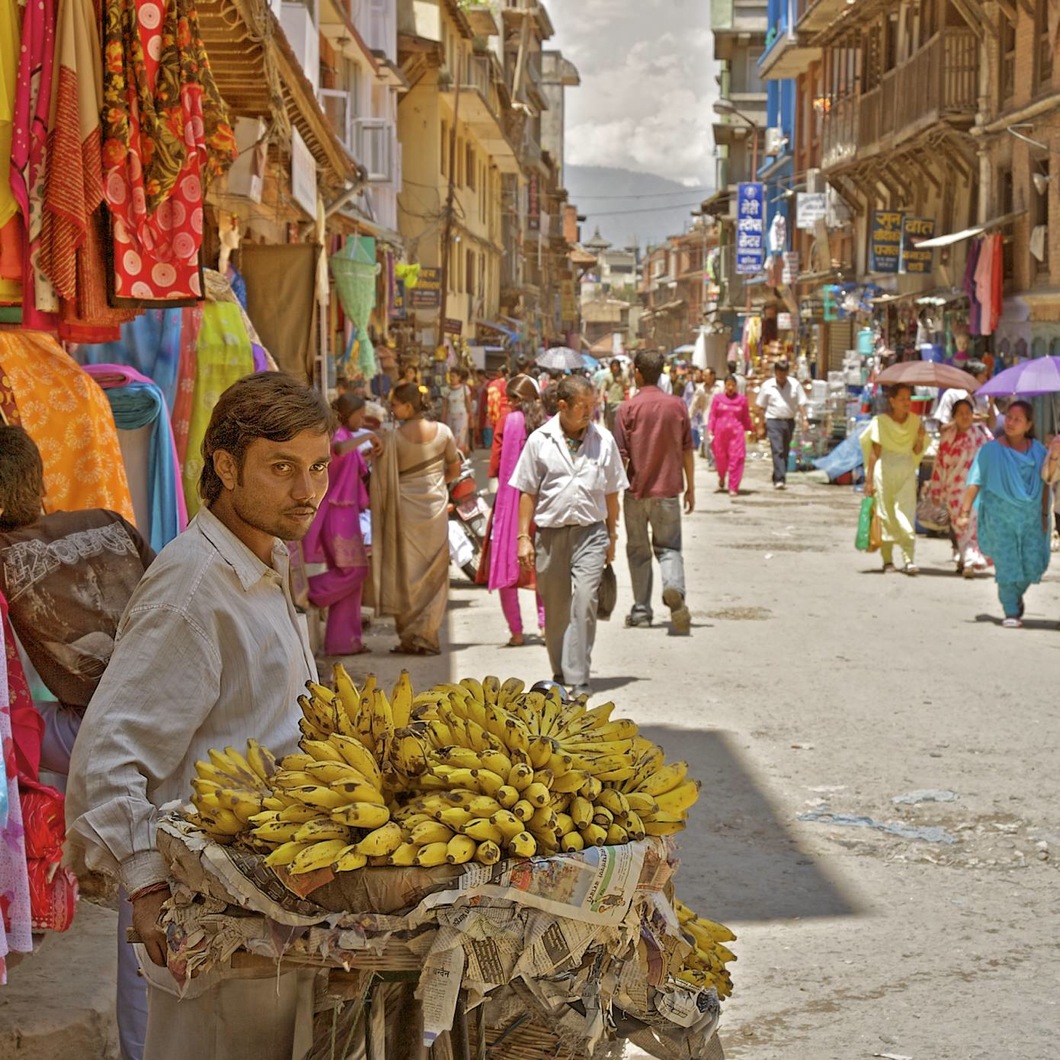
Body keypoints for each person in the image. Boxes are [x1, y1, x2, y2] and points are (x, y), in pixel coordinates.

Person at [65, 372, 333, 1060]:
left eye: (318, 469)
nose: (307, 492)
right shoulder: (192, 588)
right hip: (210, 914)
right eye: (282, 469)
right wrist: (147, 883)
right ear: (224, 465)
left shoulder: (259, 563)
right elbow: (110, 755)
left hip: (270, 901)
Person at [0, 426, 154, 1060]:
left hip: (115, 727)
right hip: (165, 703)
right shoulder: (107, 521)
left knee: (143, 903)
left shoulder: (6, 553)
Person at [511, 375, 628, 696]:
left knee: (586, 601)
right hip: (550, 535)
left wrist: (612, 538)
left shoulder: (603, 441)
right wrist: (523, 536)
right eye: (583, 406)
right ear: (562, 406)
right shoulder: (539, 440)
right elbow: (527, 492)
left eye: (593, 405)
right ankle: (561, 673)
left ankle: (577, 678)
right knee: (557, 607)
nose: (590, 411)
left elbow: (612, 494)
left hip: (591, 533)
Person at [371, 383, 461, 655]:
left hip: (404, 511)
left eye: (395, 404)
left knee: (407, 572)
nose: (391, 409)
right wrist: (437, 485)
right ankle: (427, 635)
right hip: (435, 508)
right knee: (435, 573)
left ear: (408, 406)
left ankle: (409, 637)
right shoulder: (444, 432)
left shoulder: (393, 438)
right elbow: (454, 467)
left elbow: (381, 475)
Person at [613, 350, 694, 634]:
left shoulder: (626, 409)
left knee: (638, 551)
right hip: (669, 490)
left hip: (636, 492)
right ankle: (673, 586)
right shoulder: (677, 406)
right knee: (669, 547)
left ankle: (641, 611)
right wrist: (691, 488)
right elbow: (687, 450)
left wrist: (611, 496)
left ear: (637, 372)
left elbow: (620, 458)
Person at [955, 400, 1050, 628]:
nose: (1011, 422)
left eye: (1018, 419)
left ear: (1028, 425)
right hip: (1000, 518)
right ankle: (1010, 610)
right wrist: (965, 512)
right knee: (1007, 564)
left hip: (1031, 519)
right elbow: (975, 481)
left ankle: (1015, 595)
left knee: (1033, 564)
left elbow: (1047, 482)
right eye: (1008, 417)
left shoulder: (1039, 451)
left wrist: (1045, 515)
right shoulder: (990, 450)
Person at [302, 396, 372, 656]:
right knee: (353, 572)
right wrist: (370, 436)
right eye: (360, 415)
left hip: (348, 511)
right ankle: (310, 592)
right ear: (347, 413)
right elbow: (340, 450)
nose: (362, 421)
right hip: (337, 513)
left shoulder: (344, 433)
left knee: (353, 579)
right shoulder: (335, 435)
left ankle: (345, 642)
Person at [486, 375, 546, 646]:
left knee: (506, 559)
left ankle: (517, 632)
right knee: (542, 566)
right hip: (541, 501)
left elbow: (497, 460)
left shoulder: (508, 421)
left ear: (516, 400)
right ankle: (545, 626)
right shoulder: (546, 423)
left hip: (511, 502)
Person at [861, 383, 927, 574]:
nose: (906, 403)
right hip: (885, 470)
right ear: (892, 401)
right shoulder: (881, 422)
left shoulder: (915, 422)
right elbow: (875, 452)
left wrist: (921, 438)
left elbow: (916, 450)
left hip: (906, 469)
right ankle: (888, 560)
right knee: (886, 513)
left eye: (909, 399)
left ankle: (909, 558)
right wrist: (869, 480)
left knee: (906, 513)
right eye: (902, 399)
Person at [924, 398, 991, 577]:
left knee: (972, 525)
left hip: (976, 488)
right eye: (960, 413)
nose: (964, 417)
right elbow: (939, 465)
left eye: (967, 413)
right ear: (953, 416)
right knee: (960, 526)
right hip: (953, 489)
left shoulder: (981, 435)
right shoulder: (947, 438)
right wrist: (936, 490)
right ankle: (966, 558)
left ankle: (968, 560)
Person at [756, 358, 808, 488]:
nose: (782, 376)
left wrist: (805, 419)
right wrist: (761, 426)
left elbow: (801, 403)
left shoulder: (794, 385)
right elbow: (761, 407)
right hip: (773, 421)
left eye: (784, 373)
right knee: (777, 449)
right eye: (779, 373)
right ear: (775, 372)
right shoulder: (767, 386)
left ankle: (777, 474)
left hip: (789, 421)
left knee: (785, 451)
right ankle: (780, 479)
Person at [708, 375, 753, 497]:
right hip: (720, 435)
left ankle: (733, 486)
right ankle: (721, 476)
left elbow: (745, 417)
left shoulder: (742, 400)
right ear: (724, 385)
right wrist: (710, 430)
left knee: (736, 458)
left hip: (736, 434)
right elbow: (713, 415)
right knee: (721, 459)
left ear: (736, 386)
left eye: (733, 385)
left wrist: (751, 429)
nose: (730, 388)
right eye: (728, 385)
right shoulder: (718, 399)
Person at [935, 360, 994, 429]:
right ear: (971, 376)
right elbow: (942, 428)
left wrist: (991, 404)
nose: (986, 379)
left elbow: (992, 425)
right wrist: (967, 420)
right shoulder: (951, 395)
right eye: (984, 375)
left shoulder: (984, 396)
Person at [442, 366, 473, 453]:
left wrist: (471, 417)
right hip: (450, 416)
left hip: (462, 416)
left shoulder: (465, 388)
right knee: (450, 437)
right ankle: (452, 456)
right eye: (450, 376)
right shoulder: (446, 390)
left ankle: (459, 457)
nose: (451, 378)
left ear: (459, 377)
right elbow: (444, 406)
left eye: (453, 376)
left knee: (460, 437)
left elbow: (468, 404)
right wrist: (443, 419)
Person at [600, 359, 627, 432]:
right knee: (610, 423)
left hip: (621, 402)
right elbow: (603, 387)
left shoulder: (623, 376)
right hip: (611, 402)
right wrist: (600, 397)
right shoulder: (608, 377)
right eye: (613, 366)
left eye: (616, 366)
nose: (615, 368)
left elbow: (627, 387)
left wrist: (621, 382)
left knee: (620, 423)